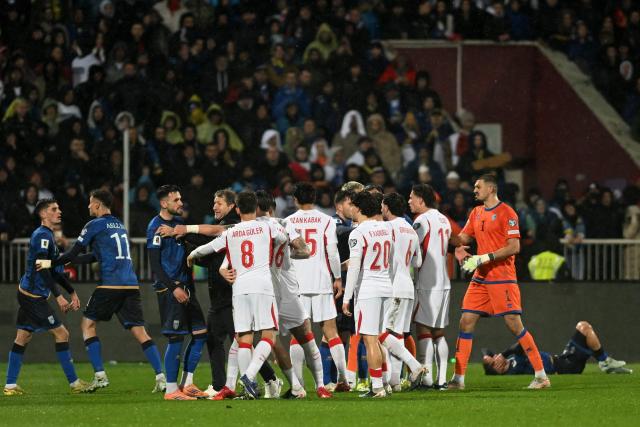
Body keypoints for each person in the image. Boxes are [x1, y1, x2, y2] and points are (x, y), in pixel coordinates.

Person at [36, 189, 165, 392]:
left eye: (90, 203)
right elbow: (92, 257)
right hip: (131, 284)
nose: (88, 206)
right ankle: (161, 377)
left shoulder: (94, 225)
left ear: (97, 205)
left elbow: (73, 252)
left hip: (110, 284)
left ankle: (100, 376)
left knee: (87, 325)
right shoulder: (119, 225)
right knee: (140, 331)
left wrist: (49, 262)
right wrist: (68, 261)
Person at [155, 189, 281, 399]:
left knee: (239, 339)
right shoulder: (257, 228)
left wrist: (187, 232)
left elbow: (215, 235)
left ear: (235, 207)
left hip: (235, 293)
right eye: (214, 202)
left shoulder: (234, 226)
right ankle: (230, 385)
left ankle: (261, 380)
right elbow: (212, 250)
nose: (214, 206)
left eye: (219, 203)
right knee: (228, 339)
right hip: (231, 293)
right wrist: (191, 247)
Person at [222, 190, 331, 399]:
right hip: (286, 292)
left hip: (264, 292)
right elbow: (306, 251)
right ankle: (320, 387)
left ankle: (284, 386)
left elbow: (219, 233)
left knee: (259, 341)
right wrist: (287, 253)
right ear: (271, 208)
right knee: (306, 339)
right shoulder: (283, 224)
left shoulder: (246, 228)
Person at [451, 174, 551, 390]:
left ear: (491, 188)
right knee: (465, 321)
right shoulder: (476, 213)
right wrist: (453, 243)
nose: (474, 190)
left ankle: (542, 376)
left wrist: (486, 257)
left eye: (478, 187)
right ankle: (458, 380)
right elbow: (462, 238)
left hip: (502, 277)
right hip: (481, 277)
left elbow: (514, 247)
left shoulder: (508, 213)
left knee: (514, 325)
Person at [4, 199, 94, 395]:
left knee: (23, 336)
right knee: (62, 334)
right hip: (32, 297)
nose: (59, 211)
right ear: (44, 215)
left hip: (30, 294)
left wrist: (71, 291)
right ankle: (74, 383)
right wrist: (59, 296)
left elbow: (52, 269)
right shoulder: (42, 236)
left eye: (59, 208)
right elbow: (42, 268)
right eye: (54, 209)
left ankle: (10, 386)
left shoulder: (49, 236)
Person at [286, 182, 350, 392]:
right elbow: (332, 251)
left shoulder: (287, 222)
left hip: (296, 284)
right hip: (321, 281)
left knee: (298, 335)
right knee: (331, 332)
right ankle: (343, 378)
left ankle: (300, 384)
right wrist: (338, 278)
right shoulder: (326, 220)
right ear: (314, 198)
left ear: (295, 199)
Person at [146, 185, 208, 400]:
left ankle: (187, 383)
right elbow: (155, 264)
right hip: (171, 288)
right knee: (176, 338)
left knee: (200, 333)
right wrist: (173, 288)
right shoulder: (155, 226)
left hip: (187, 287)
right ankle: (171, 390)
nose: (181, 203)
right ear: (164, 203)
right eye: (176, 200)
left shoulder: (179, 226)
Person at [342, 191, 394, 398]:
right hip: (385, 286)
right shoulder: (387, 228)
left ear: (359, 208)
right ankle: (385, 384)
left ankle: (377, 387)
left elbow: (354, 267)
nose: (351, 209)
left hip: (368, 289)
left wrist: (347, 298)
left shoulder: (358, 233)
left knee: (370, 340)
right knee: (379, 339)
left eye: (353, 206)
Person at [380, 192, 427, 392]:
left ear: (387, 208)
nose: (381, 209)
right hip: (407, 286)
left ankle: (414, 365)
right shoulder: (410, 229)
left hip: (393, 286)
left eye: (382, 206)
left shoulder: (386, 228)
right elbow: (418, 262)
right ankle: (395, 382)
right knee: (397, 335)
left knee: (380, 333)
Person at [408, 183, 452, 389]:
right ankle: (442, 379)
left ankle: (425, 379)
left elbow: (413, 251)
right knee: (439, 333)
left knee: (424, 330)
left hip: (427, 282)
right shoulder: (444, 219)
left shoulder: (421, 221)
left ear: (421, 200)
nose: (409, 201)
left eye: (411, 198)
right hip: (444, 282)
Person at [482, 321, 631, 375]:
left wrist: (497, 355)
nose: (496, 359)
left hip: (561, 359)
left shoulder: (510, 359)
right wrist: (504, 353)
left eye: (494, 357)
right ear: (495, 371)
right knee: (584, 328)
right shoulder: (513, 368)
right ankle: (604, 361)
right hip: (565, 367)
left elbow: (486, 351)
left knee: (583, 326)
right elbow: (522, 345)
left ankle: (604, 361)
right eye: (493, 363)